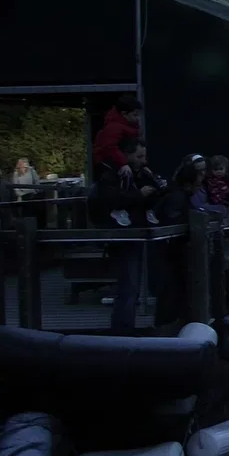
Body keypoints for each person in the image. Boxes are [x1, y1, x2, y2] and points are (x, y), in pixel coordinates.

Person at [89, 136, 158, 331]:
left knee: (131, 286)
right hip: (124, 236)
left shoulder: (138, 173)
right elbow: (110, 200)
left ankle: (125, 327)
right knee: (129, 286)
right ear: (126, 155)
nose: (143, 161)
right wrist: (139, 194)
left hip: (134, 233)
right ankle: (123, 329)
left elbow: (156, 193)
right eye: (139, 156)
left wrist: (150, 183)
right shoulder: (111, 175)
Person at [93, 95, 143, 171]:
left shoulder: (128, 126)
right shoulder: (113, 127)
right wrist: (123, 163)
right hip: (114, 166)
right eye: (135, 115)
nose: (138, 118)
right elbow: (109, 147)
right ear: (124, 114)